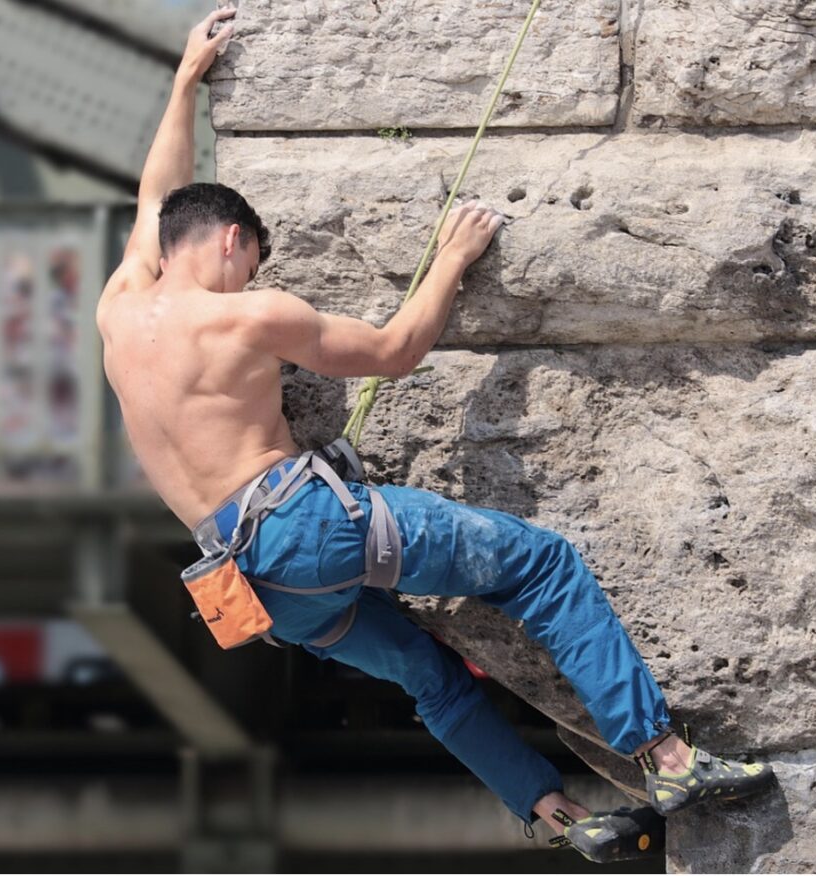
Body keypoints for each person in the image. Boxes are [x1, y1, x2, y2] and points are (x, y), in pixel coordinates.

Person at [96, 7, 773, 863]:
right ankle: (668, 759)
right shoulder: (248, 316)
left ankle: (558, 815)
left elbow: (155, 195)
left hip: (250, 586)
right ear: (234, 241)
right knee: (541, 564)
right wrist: (452, 256)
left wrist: (186, 81)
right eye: (253, 261)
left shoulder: (119, 306)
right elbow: (394, 351)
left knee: (430, 678)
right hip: (304, 529)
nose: (250, 278)